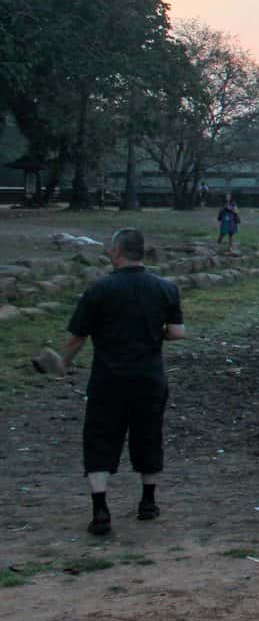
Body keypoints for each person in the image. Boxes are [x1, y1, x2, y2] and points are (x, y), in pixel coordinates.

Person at [55, 229, 185, 536]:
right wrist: (156, 333)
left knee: (100, 438)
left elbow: (78, 337)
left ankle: (100, 509)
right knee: (148, 435)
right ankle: (148, 503)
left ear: (116, 251)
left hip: (108, 378)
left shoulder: (99, 290)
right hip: (150, 377)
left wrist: (63, 363)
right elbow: (178, 332)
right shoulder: (165, 288)